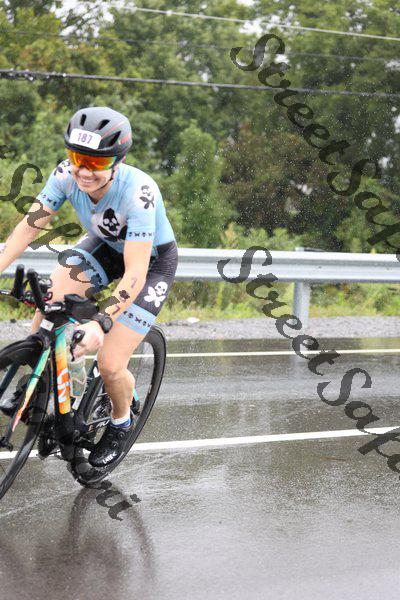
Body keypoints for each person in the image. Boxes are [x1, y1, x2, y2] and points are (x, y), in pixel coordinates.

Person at [0, 106, 178, 466]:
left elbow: (135, 272)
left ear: (117, 161)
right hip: (104, 246)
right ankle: (45, 377)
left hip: (148, 265)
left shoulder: (139, 192)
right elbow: (30, 227)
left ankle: (121, 421)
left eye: (95, 163)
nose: (83, 171)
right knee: (51, 297)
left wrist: (101, 321)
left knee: (111, 363)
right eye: (77, 158)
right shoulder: (65, 174)